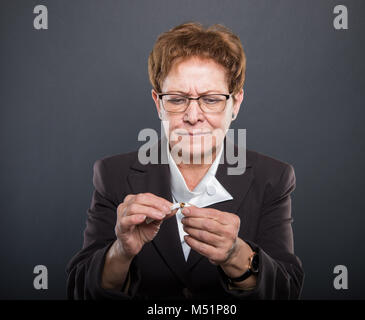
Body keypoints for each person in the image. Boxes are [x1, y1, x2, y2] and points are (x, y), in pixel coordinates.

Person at [66, 22, 304, 300]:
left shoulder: (272, 178)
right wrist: (121, 251)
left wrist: (235, 254)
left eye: (211, 99)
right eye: (177, 99)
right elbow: (79, 291)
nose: (193, 116)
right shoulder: (112, 175)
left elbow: (286, 291)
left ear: (235, 104)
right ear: (158, 103)